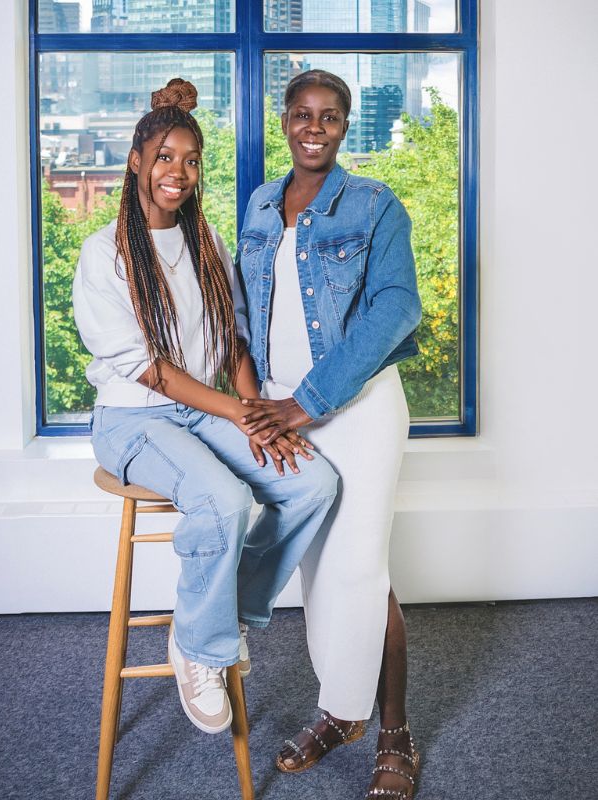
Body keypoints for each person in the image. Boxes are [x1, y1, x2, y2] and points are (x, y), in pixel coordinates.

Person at [72, 78, 338, 736]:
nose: (178, 172)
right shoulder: (102, 253)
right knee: (222, 499)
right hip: (132, 420)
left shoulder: (206, 242)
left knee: (312, 482)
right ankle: (201, 648)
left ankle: (219, 616)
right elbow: (152, 372)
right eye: (164, 157)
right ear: (135, 161)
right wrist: (238, 413)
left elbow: (234, 339)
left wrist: (257, 413)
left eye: (191, 161)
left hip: (203, 413)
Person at [236, 70, 422, 798]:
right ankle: (339, 714)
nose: (314, 128)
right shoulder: (259, 204)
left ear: (345, 126)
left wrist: (306, 402)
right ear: (285, 121)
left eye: (330, 117)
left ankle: (395, 734)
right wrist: (258, 404)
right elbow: (243, 317)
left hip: (357, 409)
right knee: (317, 571)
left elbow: (396, 309)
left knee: (360, 570)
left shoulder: (375, 205)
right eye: (303, 114)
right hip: (283, 412)